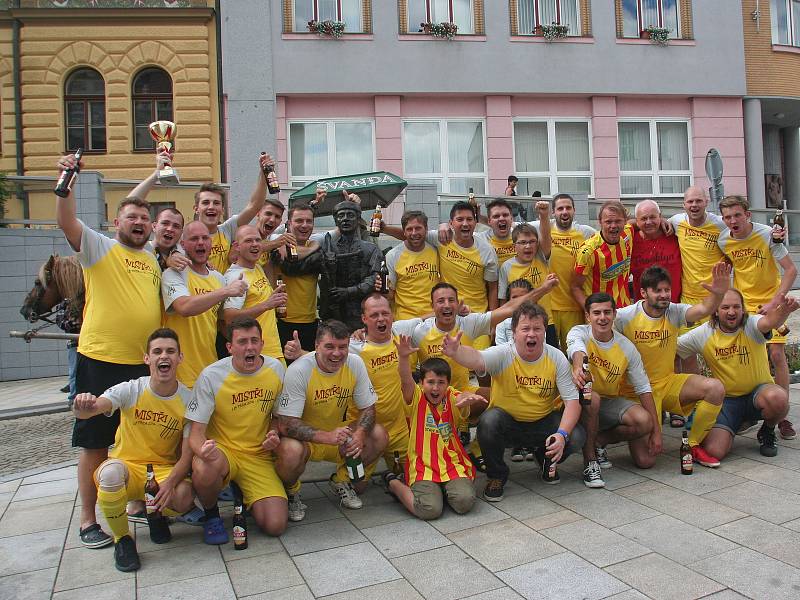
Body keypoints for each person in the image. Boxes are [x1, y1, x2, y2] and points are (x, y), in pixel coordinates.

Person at [56, 153, 163, 549]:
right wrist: (66, 179)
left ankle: (133, 502)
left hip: (140, 364)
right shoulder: (99, 247)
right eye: (129, 218)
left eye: (143, 219)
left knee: (131, 439)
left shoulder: (151, 255)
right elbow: (66, 220)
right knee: (95, 441)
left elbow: (135, 206)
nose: (137, 223)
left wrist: (155, 174)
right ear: (115, 222)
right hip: (101, 359)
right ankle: (89, 519)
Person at [72, 328, 194, 572]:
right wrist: (82, 404)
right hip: (126, 467)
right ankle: (123, 540)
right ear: (147, 358)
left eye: (171, 351)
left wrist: (170, 482)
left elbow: (189, 452)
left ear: (180, 357)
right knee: (109, 474)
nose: (164, 357)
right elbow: (92, 409)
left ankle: (155, 514)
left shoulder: (189, 399)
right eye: (157, 351)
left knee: (184, 496)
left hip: (160, 472)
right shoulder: (131, 389)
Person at [442, 301, 586, 502]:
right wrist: (457, 352)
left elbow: (572, 402)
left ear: (545, 331)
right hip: (507, 425)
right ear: (514, 332)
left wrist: (561, 435)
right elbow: (476, 358)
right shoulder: (504, 353)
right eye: (525, 328)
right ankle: (496, 475)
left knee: (577, 434)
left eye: (537, 328)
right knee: (488, 421)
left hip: (542, 423)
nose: (531, 334)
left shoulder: (556, 357)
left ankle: (546, 458)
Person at [615, 264, 730, 467]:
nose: (664, 295)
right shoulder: (625, 316)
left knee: (715, 388)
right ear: (643, 292)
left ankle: (692, 444)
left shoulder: (674, 312)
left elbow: (703, 309)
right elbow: (595, 332)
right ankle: (617, 432)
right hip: (635, 392)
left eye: (667, 290)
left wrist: (719, 294)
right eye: (657, 290)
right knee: (646, 461)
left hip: (667, 384)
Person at [187, 317, 289, 543]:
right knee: (204, 467)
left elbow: (277, 417)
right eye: (242, 342)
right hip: (223, 453)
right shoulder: (211, 376)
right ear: (230, 348)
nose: (249, 347)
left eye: (254, 341)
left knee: (276, 526)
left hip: (258, 455)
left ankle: (244, 495)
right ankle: (212, 515)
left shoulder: (275, 369)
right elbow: (195, 433)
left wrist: (274, 433)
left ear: (262, 344)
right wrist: (202, 451)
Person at [274, 320, 388, 518]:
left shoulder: (354, 362)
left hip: (338, 435)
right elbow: (287, 424)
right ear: (317, 346)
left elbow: (368, 408)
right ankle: (291, 492)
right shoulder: (299, 370)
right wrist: (325, 436)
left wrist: (359, 435)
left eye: (342, 347)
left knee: (378, 434)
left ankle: (341, 480)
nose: (337, 353)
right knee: (290, 450)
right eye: (329, 346)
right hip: (307, 441)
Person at [678, 290, 798, 460]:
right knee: (714, 451)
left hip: (758, 395)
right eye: (725, 307)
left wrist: (785, 310)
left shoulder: (752, 324)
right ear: (716, 311)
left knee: (779, 398)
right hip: (727, 402)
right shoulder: (703, 333)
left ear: (743, 309)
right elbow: (674, 350)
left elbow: (770, 321)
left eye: (736, 307)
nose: (732, 312)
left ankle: (767, 431)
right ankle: (734, 424)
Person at [717, 195, 798, 441]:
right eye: (728, 217)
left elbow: (791, 270)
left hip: (772, 303)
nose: (733, 220)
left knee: (776, 355)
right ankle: (752, 411)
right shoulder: (724, 240)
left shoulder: (768, 235)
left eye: (737, 215)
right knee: (753, 359)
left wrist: (776, 300)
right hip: (745, 308)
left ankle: (782, 415)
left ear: (747, 215)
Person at [566, 293, 660, 488]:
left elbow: (643, 388)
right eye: (597, 313)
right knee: (592, 397)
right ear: (588, 316)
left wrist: (656, 430)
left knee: (644, 421)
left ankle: (599, 441)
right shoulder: (579, 332)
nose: (602, 318)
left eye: (607, 312)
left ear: (615, 314)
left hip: (608, 402)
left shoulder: (626, 347)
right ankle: (590, 461)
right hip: (575, 402)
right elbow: (577, 351)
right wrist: (578, 367)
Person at [383, 344, 486, 520]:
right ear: (421, 383)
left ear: (447, 384)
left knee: (464, 502)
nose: (436, 388)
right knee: (429, 510)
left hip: (452, 463)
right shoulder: (415, 396)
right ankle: (394, 482)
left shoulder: (451, 395)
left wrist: (466, 398)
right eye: (430, 382)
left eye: (441, 383)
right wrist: (404, 357)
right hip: (424, 466)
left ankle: (443, 490)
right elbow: (405, 378)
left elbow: (459, 397)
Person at [162, 221, 248, 388]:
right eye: (194, 239)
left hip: (210, 371)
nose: (200, 242)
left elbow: (223, 322)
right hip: (179, 374)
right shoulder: (173, 273)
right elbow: (184, 308)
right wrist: (226, 291)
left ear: (211, 243)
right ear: (183, 244)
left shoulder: (218, 278)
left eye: (205, 238)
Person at [194, 153, 277, 275]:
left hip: (227, 292)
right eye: (206, 202)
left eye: (216, 203)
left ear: (222, 210)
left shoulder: (227, 230)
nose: (211, 207)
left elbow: (255, 205)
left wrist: (264, 174)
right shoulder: (188, 236)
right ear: (196, 208)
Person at [223, 225, 287, 364]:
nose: (255, 244)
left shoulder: (256, 266)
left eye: (258, 240)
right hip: (256, 355)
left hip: (273, 350)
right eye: (248, 241)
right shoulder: (236, 276)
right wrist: (266, 305)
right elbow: (229, 318)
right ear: (237, 246)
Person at [318, 198, 383, 332]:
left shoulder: (371, 249)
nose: (345, 219)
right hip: (334, 314)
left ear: (358, 219)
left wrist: (348, 292)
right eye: (341, 216)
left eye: (350, 215)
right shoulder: (327, 249)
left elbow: (375, 278)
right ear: (336, 221)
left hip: (362, 313)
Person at [544, 194, 596, 351]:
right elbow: (515, 226)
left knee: (575, 353)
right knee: (550, 354)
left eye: (568, 208)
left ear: (574, 211)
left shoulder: (586, 232)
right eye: (560, 208)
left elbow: (608, 235)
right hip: (549, 307)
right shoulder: (545, 230)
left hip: (574, 306)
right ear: (553, 212)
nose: (564, 212)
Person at [269, 202, 322, 353]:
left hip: (311, 321)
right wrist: (311, 249)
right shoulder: (279, 242)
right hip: (281, 320)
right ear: (289, 223)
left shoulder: (315, 243)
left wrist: (312, 246)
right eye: (299, 221)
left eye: (309, 221)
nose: (304, 225)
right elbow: (284, 253)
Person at [498, 223, 559, 347]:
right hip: (519, 323)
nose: (528, 246)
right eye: (522, 242)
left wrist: (543, 215)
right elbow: (503, 301)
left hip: (546, 321)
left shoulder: (541, 258)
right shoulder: (506, 267)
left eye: (532, 241)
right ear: (514, 245)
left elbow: (546, 235)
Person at [572, 200, 634, 310]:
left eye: (618, 221)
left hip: (624, 310)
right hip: (600, 315)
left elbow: (640, 222)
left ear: (625, 221)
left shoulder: (627, 233)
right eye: (608, 222)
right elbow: (575, 287)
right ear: (600, 222)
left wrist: (663, 221)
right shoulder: (588, 252)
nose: (613, 226)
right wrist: (591, 311)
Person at [384, 210, 440, 320]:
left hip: (433, 318)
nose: (414, 233)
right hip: (406, 321)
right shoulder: (393, 255)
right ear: (404, 232)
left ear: (426, 229)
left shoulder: (436, 250)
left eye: (418, 228)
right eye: (409, 229)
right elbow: (390, 295)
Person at [630, 200, 682, 303]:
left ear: (660, 216)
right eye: (644, 218)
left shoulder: (675, 234)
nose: (649, 222)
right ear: (637, 220)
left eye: (653, 217)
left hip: (674, 308)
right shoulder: (629, 241)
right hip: (643, 312)